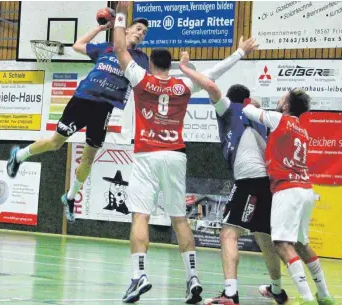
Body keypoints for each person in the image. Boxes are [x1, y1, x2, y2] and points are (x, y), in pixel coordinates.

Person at [112, 2, 259, 303]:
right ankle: (193, 277)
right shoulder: (183, 86)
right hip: (176, 155)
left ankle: (139, 275)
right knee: (180, 218)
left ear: (152, 64)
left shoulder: (142, 79)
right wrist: (240, 52)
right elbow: (214, 73)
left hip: (147, 154)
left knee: (141, 215)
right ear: (171, 66)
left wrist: (120, 15)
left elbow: (118, 49)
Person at [6, 16, 149, 222]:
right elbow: (77, 45)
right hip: (83, 99)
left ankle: (70, 197)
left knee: (89, 158)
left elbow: (148, 78)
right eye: (138, 28)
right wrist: (100, 28)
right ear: (125, 30)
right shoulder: (105, 48)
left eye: (144, 32)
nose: (140, 33)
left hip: (105, 108)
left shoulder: (141, 58)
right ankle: (19, 155)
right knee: (55, 143)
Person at [180, 63, 289, 304]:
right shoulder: (258, 117)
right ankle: (278, 289)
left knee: (228, 234)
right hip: (267, 183)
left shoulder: (229, 109)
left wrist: (185, 69)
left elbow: (209, 85)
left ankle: (230, 293)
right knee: (263, 237)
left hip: (249, 180)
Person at [243, 89, 336, 305]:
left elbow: (247, 111)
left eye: (282, 98)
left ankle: (305, 297)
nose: (278, 100)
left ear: (286, 106)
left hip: (288, 188)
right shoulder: (302, 130)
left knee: (282, 244)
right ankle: (324, 295)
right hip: (306, 189)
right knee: (302, 243)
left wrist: (249, 101)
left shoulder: (279, 119)